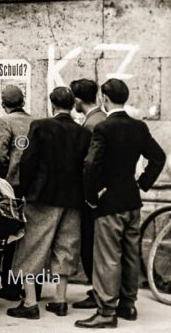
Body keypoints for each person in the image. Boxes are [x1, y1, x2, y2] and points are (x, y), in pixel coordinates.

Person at [75, 79, 166, 329]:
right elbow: (158, 157)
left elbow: (91, 165)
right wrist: (143, 182)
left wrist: (92, 196)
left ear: (104, 98)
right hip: (132, 200)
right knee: (129, 255)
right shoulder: (138, 127)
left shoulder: (104, 128)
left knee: (108, 257)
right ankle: (128, 304)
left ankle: (106, 311)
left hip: (109, 201)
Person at [7, 86, 91, 320]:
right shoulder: (83, 132)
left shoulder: (41, 126)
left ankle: (31, 302)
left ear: (52, 104)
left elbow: (28, 162)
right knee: (67, 247)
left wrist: (22, 191)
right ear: (72, 104)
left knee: (32, 247)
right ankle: (60, 300)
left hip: (42, 196)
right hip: (72, 198)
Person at [0, 85, 33, 302]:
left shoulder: (5, 122)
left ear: (4, 104)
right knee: (30, 238)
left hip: (12, 187)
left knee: (11, 237)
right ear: (23, 101)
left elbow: (1, 155)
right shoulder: (34, 121)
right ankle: (31, 287)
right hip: (33, 187)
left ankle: (10, 286)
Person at [69, 79, 107, 310]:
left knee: (90, 244)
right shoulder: (101, 118)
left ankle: (98, 290)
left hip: (92, 194)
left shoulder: (92, 124)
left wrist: (88, 195)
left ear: (77, 100)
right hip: (104, 192)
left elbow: (89, 163)